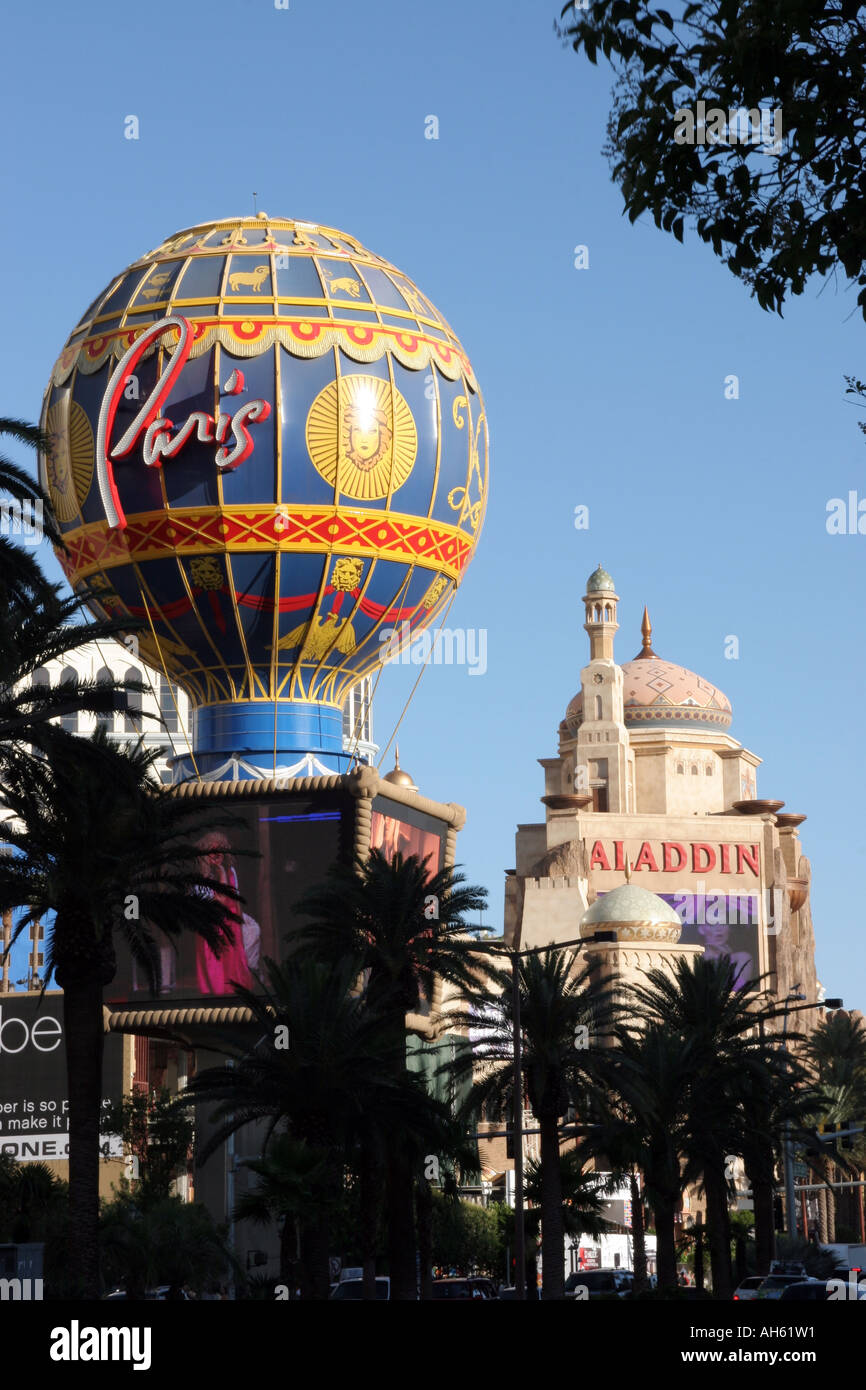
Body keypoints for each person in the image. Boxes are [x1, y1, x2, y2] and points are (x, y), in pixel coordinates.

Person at [194, 832, 261, 996]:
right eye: (212, 851)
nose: (217, 855)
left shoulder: (231, 871)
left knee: (235, 959)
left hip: (230, 922)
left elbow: (235, 898)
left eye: (220, 851)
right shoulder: (201, 878)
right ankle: (218, 993)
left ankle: (238, 989)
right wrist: (221, 872)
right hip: (212, 924)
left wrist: (239, 921)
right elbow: (220, 901)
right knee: (216, 963)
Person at [696, 916, 754, 991]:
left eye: (724, 923)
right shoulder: (694, 959)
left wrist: (725, 961)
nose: (719, 928)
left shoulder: (742, 958)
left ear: (729, 929)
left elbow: (736, 990)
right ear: (701, 929)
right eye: (712, 924)